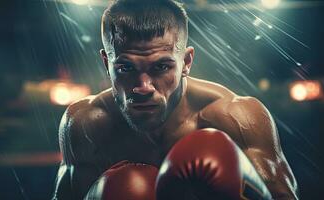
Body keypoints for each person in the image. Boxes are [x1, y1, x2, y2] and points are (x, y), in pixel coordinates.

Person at [53, 0, 298, 199]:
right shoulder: (86, 124)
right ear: (107, 63)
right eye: (126, 69)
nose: (143, 87)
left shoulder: (236, 118)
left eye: (161, 67)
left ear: (186, 62)